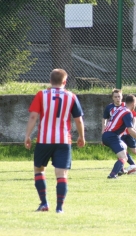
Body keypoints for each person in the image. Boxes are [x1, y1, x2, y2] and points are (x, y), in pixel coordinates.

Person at [24, 69, 85, 213]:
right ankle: (59, 208)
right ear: (65, 81)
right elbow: (78, 119)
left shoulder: (42, 94)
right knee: (61, 174)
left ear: (50, 81)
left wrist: (27, 135)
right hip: (63, 140)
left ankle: (44, 203)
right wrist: (81, 136)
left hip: (44, 140)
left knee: (39, 170)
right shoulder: (71, 96)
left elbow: (33, 117)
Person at [102, 89, 136, 171]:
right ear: (112, 98)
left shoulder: (126, 106)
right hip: (117, 134)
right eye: (115, 97)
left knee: (134, 150)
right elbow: (104, 118)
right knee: (121, 150)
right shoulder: (109, 107)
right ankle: (124, 168)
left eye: (119, 96)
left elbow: (134, 117)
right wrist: (104, 129)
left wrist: (133, 126)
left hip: (128, 132)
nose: (117, 98)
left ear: (122, 97)